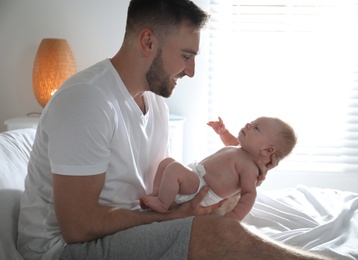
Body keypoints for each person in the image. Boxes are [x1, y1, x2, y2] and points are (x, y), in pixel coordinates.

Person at [17, 0, 329, 259]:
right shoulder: (86, 100)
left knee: (221, 220)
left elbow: (156, 183)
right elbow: (77, 226)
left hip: (123, 231)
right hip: (62, 249)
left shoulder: (156, 107)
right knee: (220, 234)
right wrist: (171, 219)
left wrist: (242, 171)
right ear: (148, 42)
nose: (191, 72)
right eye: (186, 56)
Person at [140, 116, 297, 221]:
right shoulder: (241, 150)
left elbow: (249, 194)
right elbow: (230, 142)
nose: (249, 125)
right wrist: (223, 132)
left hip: (202, 189)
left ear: (267, 150)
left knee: (173, 168)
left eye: (256, 128)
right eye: (252, 122)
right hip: (197, 179)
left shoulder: (249, 167)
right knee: (167, 162)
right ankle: (158, 194)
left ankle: (162, 204)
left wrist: (233, 217)